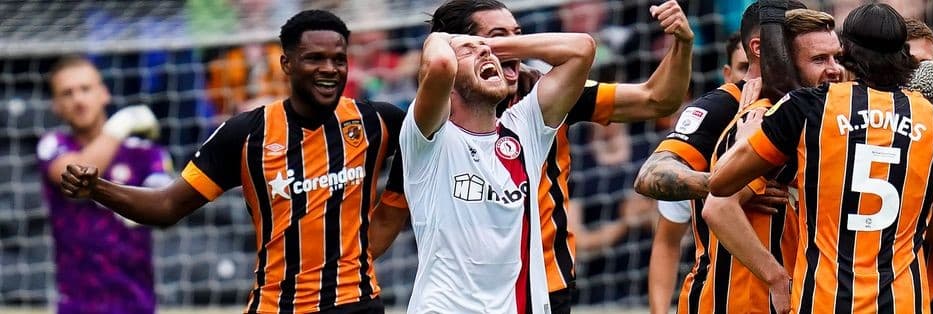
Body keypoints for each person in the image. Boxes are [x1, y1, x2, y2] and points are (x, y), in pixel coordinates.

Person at [60, 10, 401, 313]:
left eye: (338, 59)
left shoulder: (376, 121)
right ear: (286, 64)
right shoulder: (246, 134)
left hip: (358, 305)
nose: (329, 69)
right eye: (314, 58)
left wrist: (394, 207)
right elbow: (166, 206)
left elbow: (428, 146)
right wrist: (98, 189)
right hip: (278, 305)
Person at [368, 1, 693, 312]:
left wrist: (682, 44)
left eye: (518, 34)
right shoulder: (428, 137)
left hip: (543, 283)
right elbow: (389, 216)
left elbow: (656, 100)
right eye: (493, 38)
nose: (508, 46)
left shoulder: (537, 109)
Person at [709, 3, 933, 313]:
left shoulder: (809, 107)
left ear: (846, 53)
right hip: (904, 301)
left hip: (824, 300)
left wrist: (748, 128)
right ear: (904, 57)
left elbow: (719, 185)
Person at [399, 21, 595, 312]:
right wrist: (443, 37)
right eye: (469, 50)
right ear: (449, 81)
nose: (487, 54)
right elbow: (439, 62)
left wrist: (488, 47)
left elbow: (582, 49)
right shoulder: (428, 140)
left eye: (490, 52)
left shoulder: (524, 130)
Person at [634, 2, 808, 313]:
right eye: (797, 38)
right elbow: (650, 175)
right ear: (759, 47)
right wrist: (724, 181)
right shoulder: (722, 106)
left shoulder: (810, 106)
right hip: (722, 299)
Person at [693, 7, 847, 314]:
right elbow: (719, 206)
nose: (835, 69)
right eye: (819, 59)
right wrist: (777, 278)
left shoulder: (810, 117)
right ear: (786, 63)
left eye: (837, 58)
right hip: (753, 300)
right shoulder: (770, 121)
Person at [37, 56, 167, 314]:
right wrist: (120, 125)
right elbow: (77, 176)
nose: (78, 99)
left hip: (137, 300)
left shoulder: (144, 153)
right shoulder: (53, 145)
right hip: (77, 303)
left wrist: (150, 206)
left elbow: (166, 210)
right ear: (56, 106)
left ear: (103, 93)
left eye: (85, 89)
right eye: (67, 93)